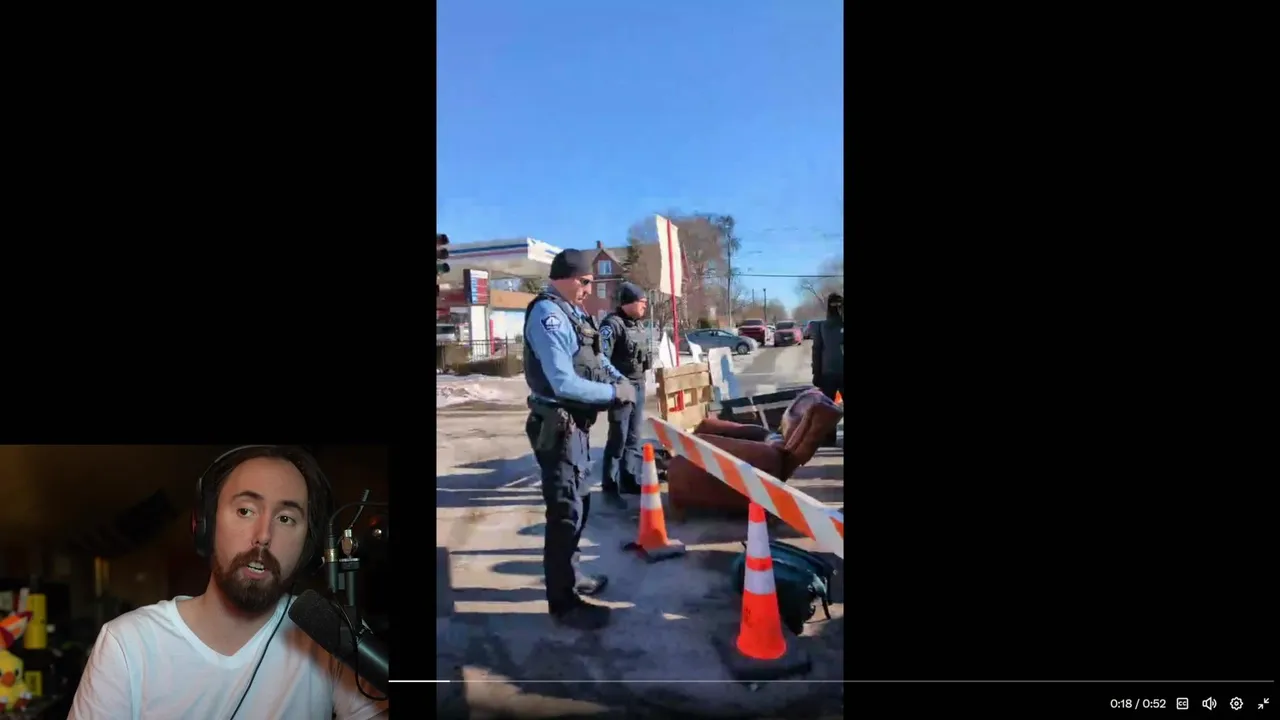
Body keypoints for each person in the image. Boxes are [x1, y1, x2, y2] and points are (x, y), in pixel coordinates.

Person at [68, 445, 388, 720]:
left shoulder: (331, 635)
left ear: (308, 546)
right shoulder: (127, 644)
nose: (264, 535)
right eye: (245, 511)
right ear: (204, 525)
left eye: (285, 518)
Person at [523, 249, 635, 630]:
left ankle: (572, 577)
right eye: (586, 281)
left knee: (580, 505)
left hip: (576, 427)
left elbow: (595, 358)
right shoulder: (548, 315)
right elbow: (563, 382)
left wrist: (619, 379)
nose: (590, 288)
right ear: (569, 277)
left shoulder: (575, 314)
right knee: (564, 513)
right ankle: (563, 603)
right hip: (557, 426)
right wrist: (613, 394)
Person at [599, 282, 653, 509]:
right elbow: (601, 358)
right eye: (642, 302)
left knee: (633, 436)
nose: (645, 306)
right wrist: (617, 384)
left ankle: (628, 479)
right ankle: (610, 485)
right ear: (628, 303)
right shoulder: (612, 325)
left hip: (639, 384)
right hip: (622, 388)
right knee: (618, 437)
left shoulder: (638, 325)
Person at [812, 292, 845, 443]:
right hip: (831, 373)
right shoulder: (823, 326)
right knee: (827, 408)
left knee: (828, 408)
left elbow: (817, 351)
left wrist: (816, 373)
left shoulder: (821, 326)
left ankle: (829, 438)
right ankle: (829, 437)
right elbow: (817, 350)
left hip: (827, 372)